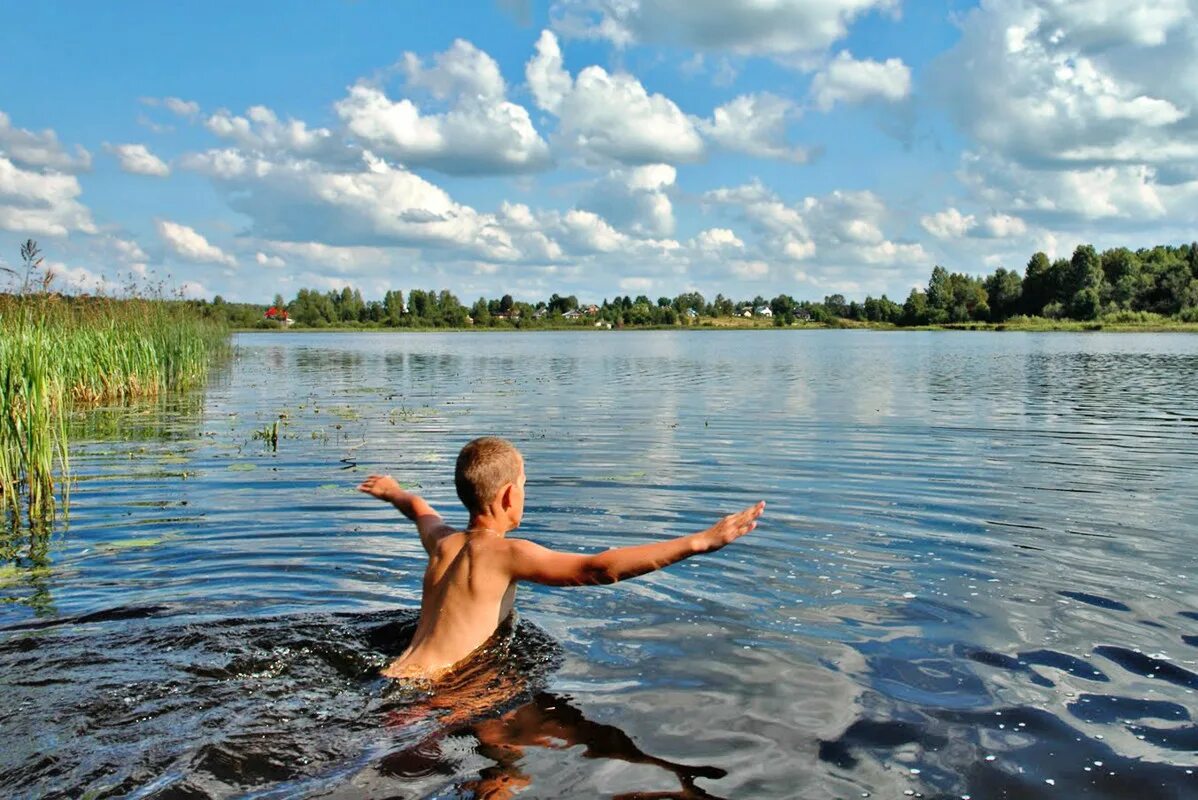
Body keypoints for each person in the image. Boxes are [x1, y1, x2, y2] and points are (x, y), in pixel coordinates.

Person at [358, 436, 764, 679]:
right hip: (438, 690)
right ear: (508, 496)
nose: (525, 493)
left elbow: (419, 509)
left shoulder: (443, 542)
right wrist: (700, 541)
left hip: (395, 675)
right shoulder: (507, 554)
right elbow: (596, 569)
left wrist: (393, 489)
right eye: (524, 485)